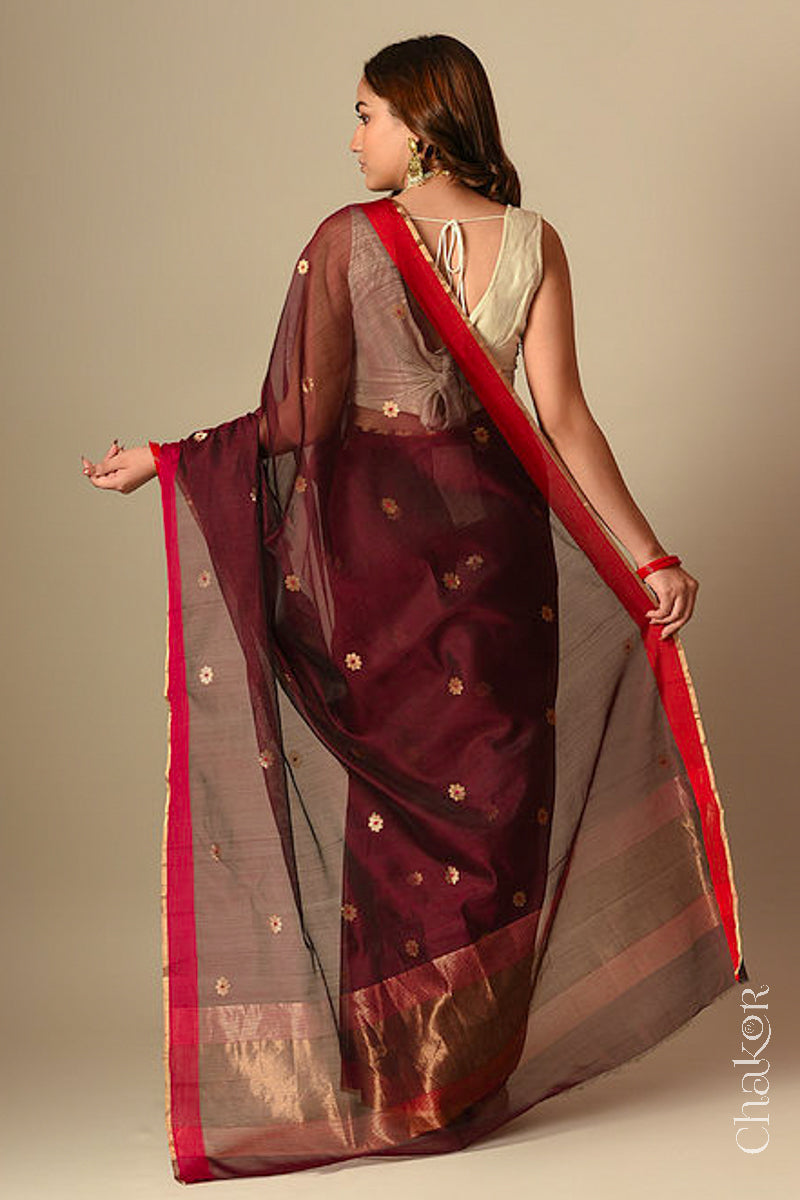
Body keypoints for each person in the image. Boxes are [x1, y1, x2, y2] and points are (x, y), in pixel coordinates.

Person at [81, 34, 747, 1186]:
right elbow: (565, 422)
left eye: (365, 116)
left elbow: (300, 420)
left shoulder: (351, 241)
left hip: (383, 570)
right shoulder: (532, 243)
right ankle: (453, 1077)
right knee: (487, 810)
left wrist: (171, 458)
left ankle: (412, 1083)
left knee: (404, 819)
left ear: (421, 122)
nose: (352, 141)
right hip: (496, 565)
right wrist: (648, 557)